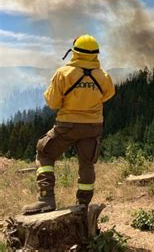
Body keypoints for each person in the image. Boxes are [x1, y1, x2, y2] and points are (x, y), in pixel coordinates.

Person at [22, 35, 115, 214]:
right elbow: (107, 95)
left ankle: (46, 199)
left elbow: (53, 103)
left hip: (67, 125)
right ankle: (83, 206)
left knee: (44, 152)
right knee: (87, 164)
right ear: (96, 54)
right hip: (93, 126)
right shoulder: (103, 76)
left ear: (73, 52)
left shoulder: (63, 73)